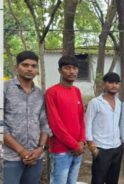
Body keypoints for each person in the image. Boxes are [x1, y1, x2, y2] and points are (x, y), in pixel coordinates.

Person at [3, 51, 50, 184]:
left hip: (36, 156)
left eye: (34, 66)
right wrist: (21, 151)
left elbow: (44, 123)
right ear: (16, 67)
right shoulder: (6, 89)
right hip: (11, 157)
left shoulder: (40, 94)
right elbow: (1, 125)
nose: (30, 69)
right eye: (25, 65)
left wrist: (40, 148)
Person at [45, 55, 85, 184]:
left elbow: (81, 119)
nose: (72, 71)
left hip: (78, 149)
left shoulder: (77, 91)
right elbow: (55, 124)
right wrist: (74, 145)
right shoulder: (52, 92)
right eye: (67, 68)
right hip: (61, 150)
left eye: (74, 68)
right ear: (60, 70)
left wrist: (82, 141)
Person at [85, 72, 123, 184]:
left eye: (116, 83)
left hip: (116, 148)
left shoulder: (119, 102)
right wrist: (92, 147)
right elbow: (88, 124)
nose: (114, 85)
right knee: (98, 180)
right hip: (101, 148)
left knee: (113, 180)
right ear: (104, 84)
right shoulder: (95, 102)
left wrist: (120, 145)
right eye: (110, 82)